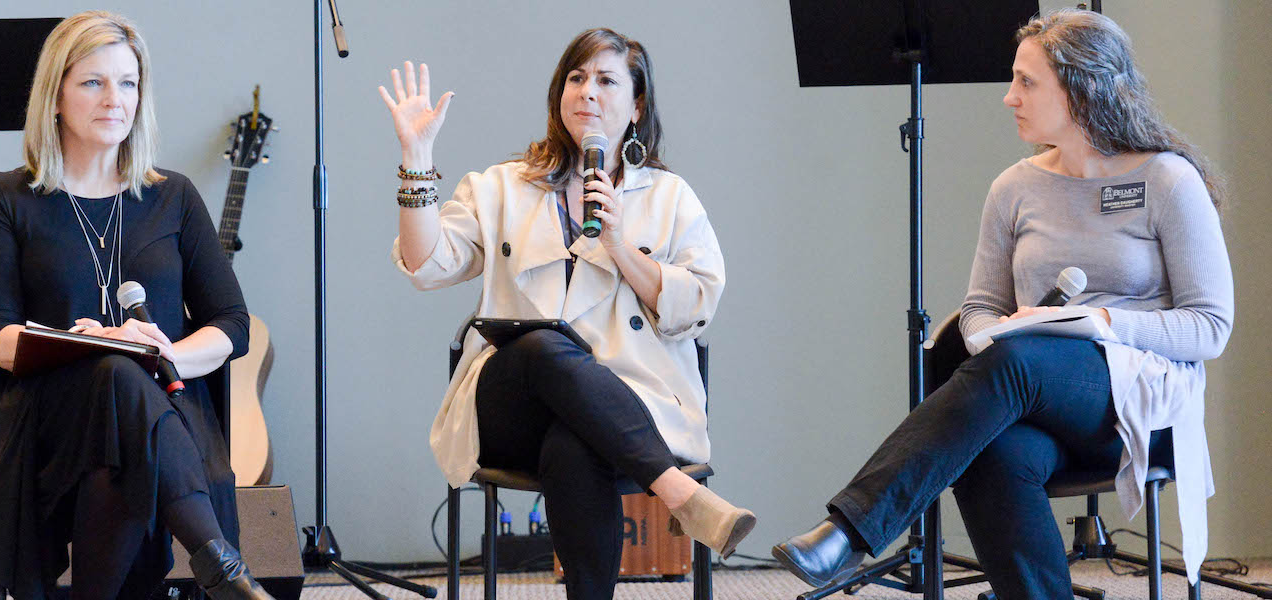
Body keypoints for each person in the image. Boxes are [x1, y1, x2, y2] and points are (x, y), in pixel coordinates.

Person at [771, 9, 1234, 599]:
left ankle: (849, 530)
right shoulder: (1014, 187)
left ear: (1080, 88)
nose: (1008, 97)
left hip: (1138, 401)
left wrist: (1096, 322)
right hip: (1029, 396)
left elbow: (1209, 327)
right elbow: (980, 309)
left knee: (1014, 366)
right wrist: (1002, 331)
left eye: (1026, 82)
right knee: (994, 446)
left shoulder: (1168, 180)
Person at [381, 28, 756, 600]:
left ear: (636, 105)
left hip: (628, 408)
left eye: (606, 80)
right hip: (510, 407)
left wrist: (622, 247)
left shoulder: (669, 198)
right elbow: (426, 262)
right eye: (576, 78)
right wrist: (417, 157)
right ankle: (679, 494)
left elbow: (698, 304)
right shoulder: (503, 186)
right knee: (538, 346)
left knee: (576, 440)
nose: (587, 92)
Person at [0, 11, 272, 600]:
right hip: (45, 417)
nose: (115, 99)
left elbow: (232, 324)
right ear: (54, 96)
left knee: (120, 439)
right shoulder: (6, 198)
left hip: (160, 403)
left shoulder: (173, 196)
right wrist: (93, 345)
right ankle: (225, 571)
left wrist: (168, 353)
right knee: (111, 371)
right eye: (93, 82)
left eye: (128, 83)